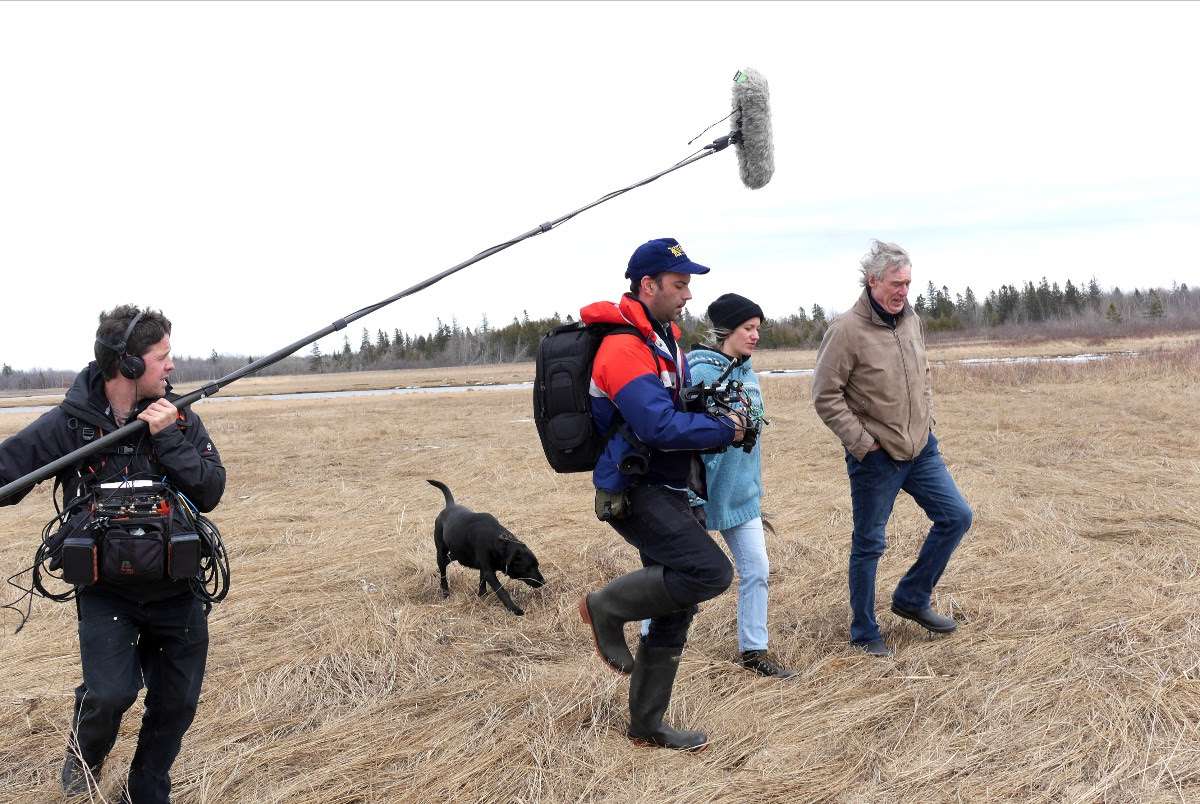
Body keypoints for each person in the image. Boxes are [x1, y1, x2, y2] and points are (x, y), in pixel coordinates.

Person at [0, 305, 225, 803]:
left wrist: (168, 437)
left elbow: (209, 490)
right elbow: (7, 472)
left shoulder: (181, 418)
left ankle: (146, 787)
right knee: (109, 695)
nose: (171, 367)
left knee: (177, 702)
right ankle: (86, 755)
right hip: (106, 593)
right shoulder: (69, 425)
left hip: (178, 589)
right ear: (127, 365)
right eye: (162, 357)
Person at [577, 237, 742, 751]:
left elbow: (677, 408)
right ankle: (605, 606)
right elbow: (657, 425)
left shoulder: (665, 336)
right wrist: (724, 430)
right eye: (679, 284)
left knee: (676, 603)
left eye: (689, 283)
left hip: (671, 484)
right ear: (647, 286)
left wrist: (715, 411)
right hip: (636, 488)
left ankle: (647, 724)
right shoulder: (623, 347)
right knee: (709, 572)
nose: (688, 294)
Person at [812, 241, 973, 658]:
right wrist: (865, 444)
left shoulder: (911, 321)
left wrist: (927, 421)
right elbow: (825, 395)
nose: (904, 290)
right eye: (896, 283)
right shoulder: (847, 330)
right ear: (873, 281)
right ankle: (864, 631)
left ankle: (912, 598)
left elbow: (922, 375)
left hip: (922, 449)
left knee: (956, 516)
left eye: (908, 283)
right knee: (869, 543)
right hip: (877, 458)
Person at [641, 292, 794, 678]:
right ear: (726, 331)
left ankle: (754, 650)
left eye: (759, 328)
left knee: (757, 569)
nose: (756, 335)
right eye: (749, 328)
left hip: (741, 496)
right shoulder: (694, 371)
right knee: (671, 574)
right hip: (697, 494)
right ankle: (648, 638)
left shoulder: (749, 374)